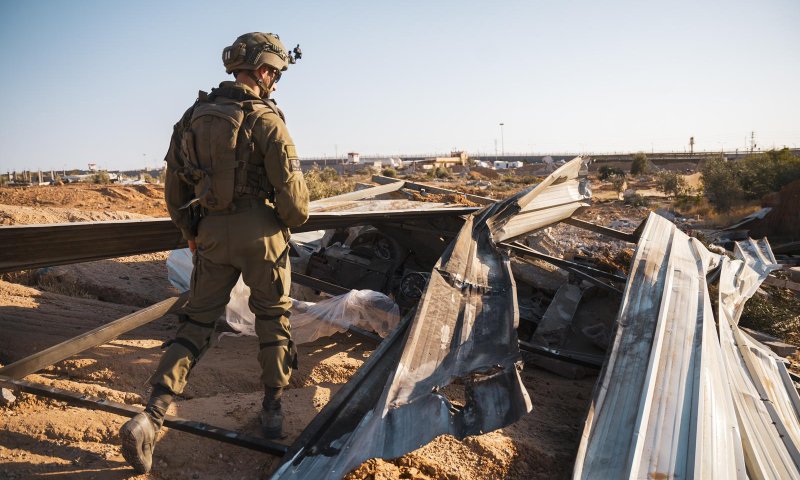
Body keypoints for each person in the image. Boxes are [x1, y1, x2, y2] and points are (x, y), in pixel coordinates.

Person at [119, 32, 309, 474]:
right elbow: (296, 208)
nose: (275, 83)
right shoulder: (267, 119)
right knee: (273, 318)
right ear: (262, 70)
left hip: (209, 235)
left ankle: (152, 414)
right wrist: (278, 219)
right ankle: (272, 411)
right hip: (262, 236)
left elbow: (174, 188)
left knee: (197, 321)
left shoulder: (191, 117)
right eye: (275, 74)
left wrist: (191, 231)